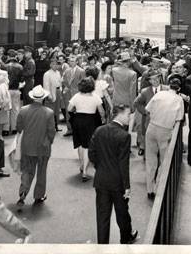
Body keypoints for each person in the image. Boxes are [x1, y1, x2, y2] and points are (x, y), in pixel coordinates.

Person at [88, 104, 139, 245]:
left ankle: (103, 245)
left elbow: (91, 153)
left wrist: (101, 167)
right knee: (122, 212)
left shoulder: (99, 130)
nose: (130, 117)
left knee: (102, 216)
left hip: (101, 180)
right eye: (128, 114)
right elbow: (124, 164)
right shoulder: (124, 136)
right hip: (118, 182)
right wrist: (127, 186)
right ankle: (125, 238)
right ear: (120, 115)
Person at [144, 78, 184, 199]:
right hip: (165, 131)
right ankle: (157, 189)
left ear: (168, 86)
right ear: (179, 89)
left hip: (151, 128)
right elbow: (179, 118)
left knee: (150, 160)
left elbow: (147, 110)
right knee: (163, 161)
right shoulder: (179, 100)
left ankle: (149, 189)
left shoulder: (159, 94)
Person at [16, 85, 56, 206]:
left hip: (27, 145)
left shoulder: (23, 110)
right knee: (41, 172)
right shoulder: (49, 112)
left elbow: (19, 128)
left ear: (32, 97)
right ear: (43, 98)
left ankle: (23, 191)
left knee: (27, 170)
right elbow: (51, 131)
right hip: (43, 147)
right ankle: (39, 195)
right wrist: (50, 141)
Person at [68, 77, 106, 181]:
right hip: (90, 121)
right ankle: (85, 171)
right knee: (87, 146)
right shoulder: (96, 97)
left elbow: (69, 108)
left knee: (79, 144)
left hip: (78, 120)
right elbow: (101, 111)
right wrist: (103, 119)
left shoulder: (76, 96)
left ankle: (81, 165)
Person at [133, 71, 165, 157]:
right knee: (149, 142)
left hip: (163, 120)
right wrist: (145, 111)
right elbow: (136, 103)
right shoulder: (145, 91)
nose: (155, 80)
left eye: (157, 78)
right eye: (152, 79)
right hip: (149, 121)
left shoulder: (166, 89)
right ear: (149, 81)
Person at [5, 49, 23, 135]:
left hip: (7, 90)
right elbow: (21, 79)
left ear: (8, 56)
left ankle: (6, 129)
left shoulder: (5, 66)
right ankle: (14, 128)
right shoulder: (20, 66)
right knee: (15, 109)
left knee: (7, 109)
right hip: (16, 89)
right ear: (15, 56)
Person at [43, 58, 62, 132]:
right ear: (50, 65)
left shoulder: (58, 72)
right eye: (53, 64)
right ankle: (49, 126)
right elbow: (46, 85)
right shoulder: (47, 74)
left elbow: (60, 83)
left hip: (57, 91)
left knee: (57, 110)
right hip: (51, 91)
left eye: (56, 64)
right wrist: (49, 95)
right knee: (50, 110)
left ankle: (56, 125)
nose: (55, 66)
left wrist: (60, 91)